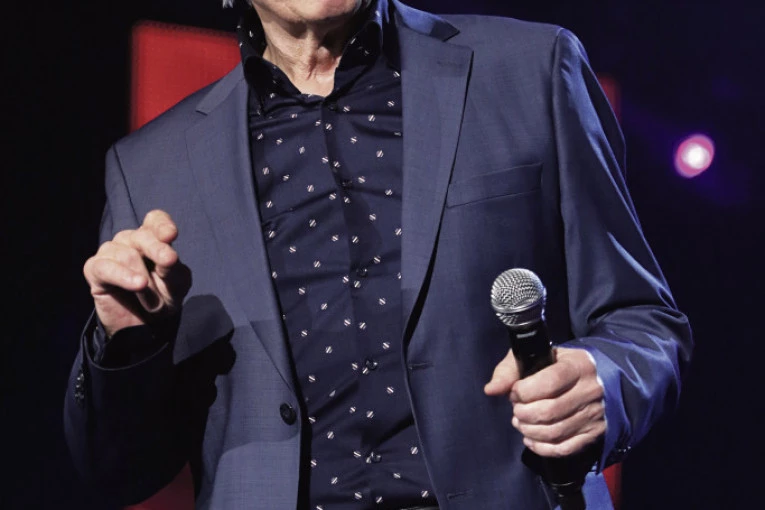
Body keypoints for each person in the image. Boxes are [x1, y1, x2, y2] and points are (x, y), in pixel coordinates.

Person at [64, 0, 693, 508]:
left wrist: (605, 381)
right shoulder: (152, 166)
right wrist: (128, 346)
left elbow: (644, 323)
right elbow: (118, 471)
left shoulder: (530, 68)